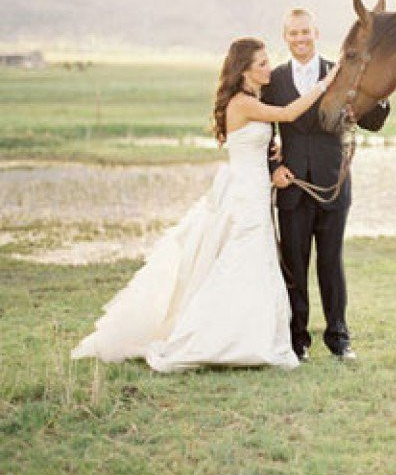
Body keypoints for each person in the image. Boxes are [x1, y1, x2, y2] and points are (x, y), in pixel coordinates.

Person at [71, 37, 334, 372]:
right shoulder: (241, 102)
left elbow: (255, 142)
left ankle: (251, 334)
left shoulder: (251, 100)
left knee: (256, 259)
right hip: (243, 193)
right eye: (262, 64)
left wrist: (275, 151)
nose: (269, 68)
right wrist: (325, 83)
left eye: (268, 62)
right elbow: (287, 112)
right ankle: (227, 338)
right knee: (242, 259)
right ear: (245, 71)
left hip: (254, 187)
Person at [262, 8, 389, 361]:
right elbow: (262, 133)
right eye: (293, 33)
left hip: (333, 183)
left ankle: (339, 339)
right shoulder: (273, 80)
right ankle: (297, 340)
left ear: (315, 33)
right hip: (291, 187)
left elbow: (373, 122)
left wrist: (379, 90)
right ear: (285, 37)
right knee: (294, 265)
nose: (300, 39)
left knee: (331, 264)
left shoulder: (339, 73)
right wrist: (273, 168)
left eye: (305, 32)